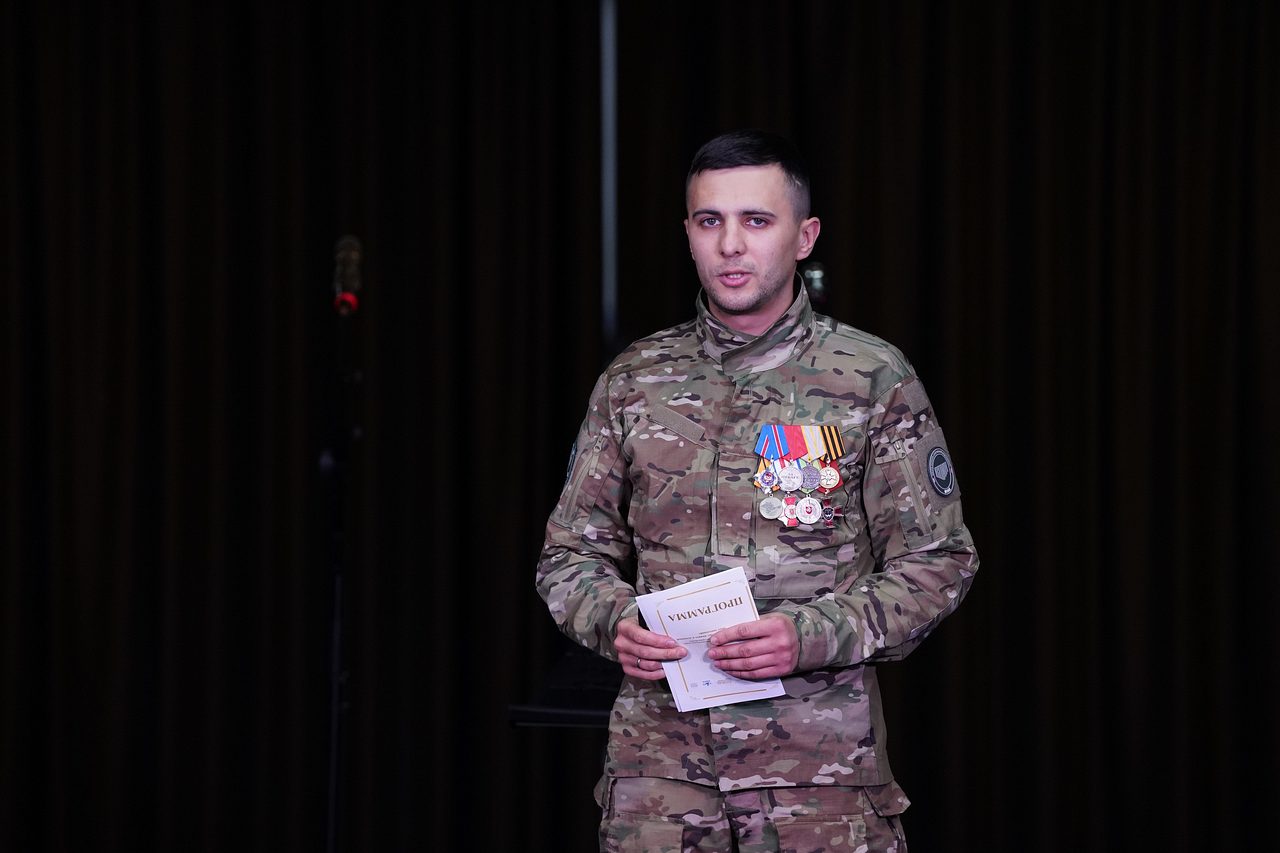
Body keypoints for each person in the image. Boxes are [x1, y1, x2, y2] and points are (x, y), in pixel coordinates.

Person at [537, 129, 979, 852]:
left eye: (757, 220)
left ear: (804, 237)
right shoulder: (633, 381)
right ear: (688, 234)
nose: (731, 245)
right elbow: (567, 556)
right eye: (710, 220)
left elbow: (940, 562)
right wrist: (615, 620)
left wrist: (808, 635)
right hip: (660, 784)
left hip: (818, 780)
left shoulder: (870, 378)